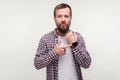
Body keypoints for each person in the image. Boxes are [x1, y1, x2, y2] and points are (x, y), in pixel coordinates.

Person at [34, 3, 91, 80]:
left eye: (66, 16)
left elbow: (86, 64)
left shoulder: (78, 37)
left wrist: (75, 45)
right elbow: (37, 64)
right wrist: (54, 53)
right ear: (54, 18)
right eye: (59, 16)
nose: (63, 19)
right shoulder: (46, 39)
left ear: (70, 18)